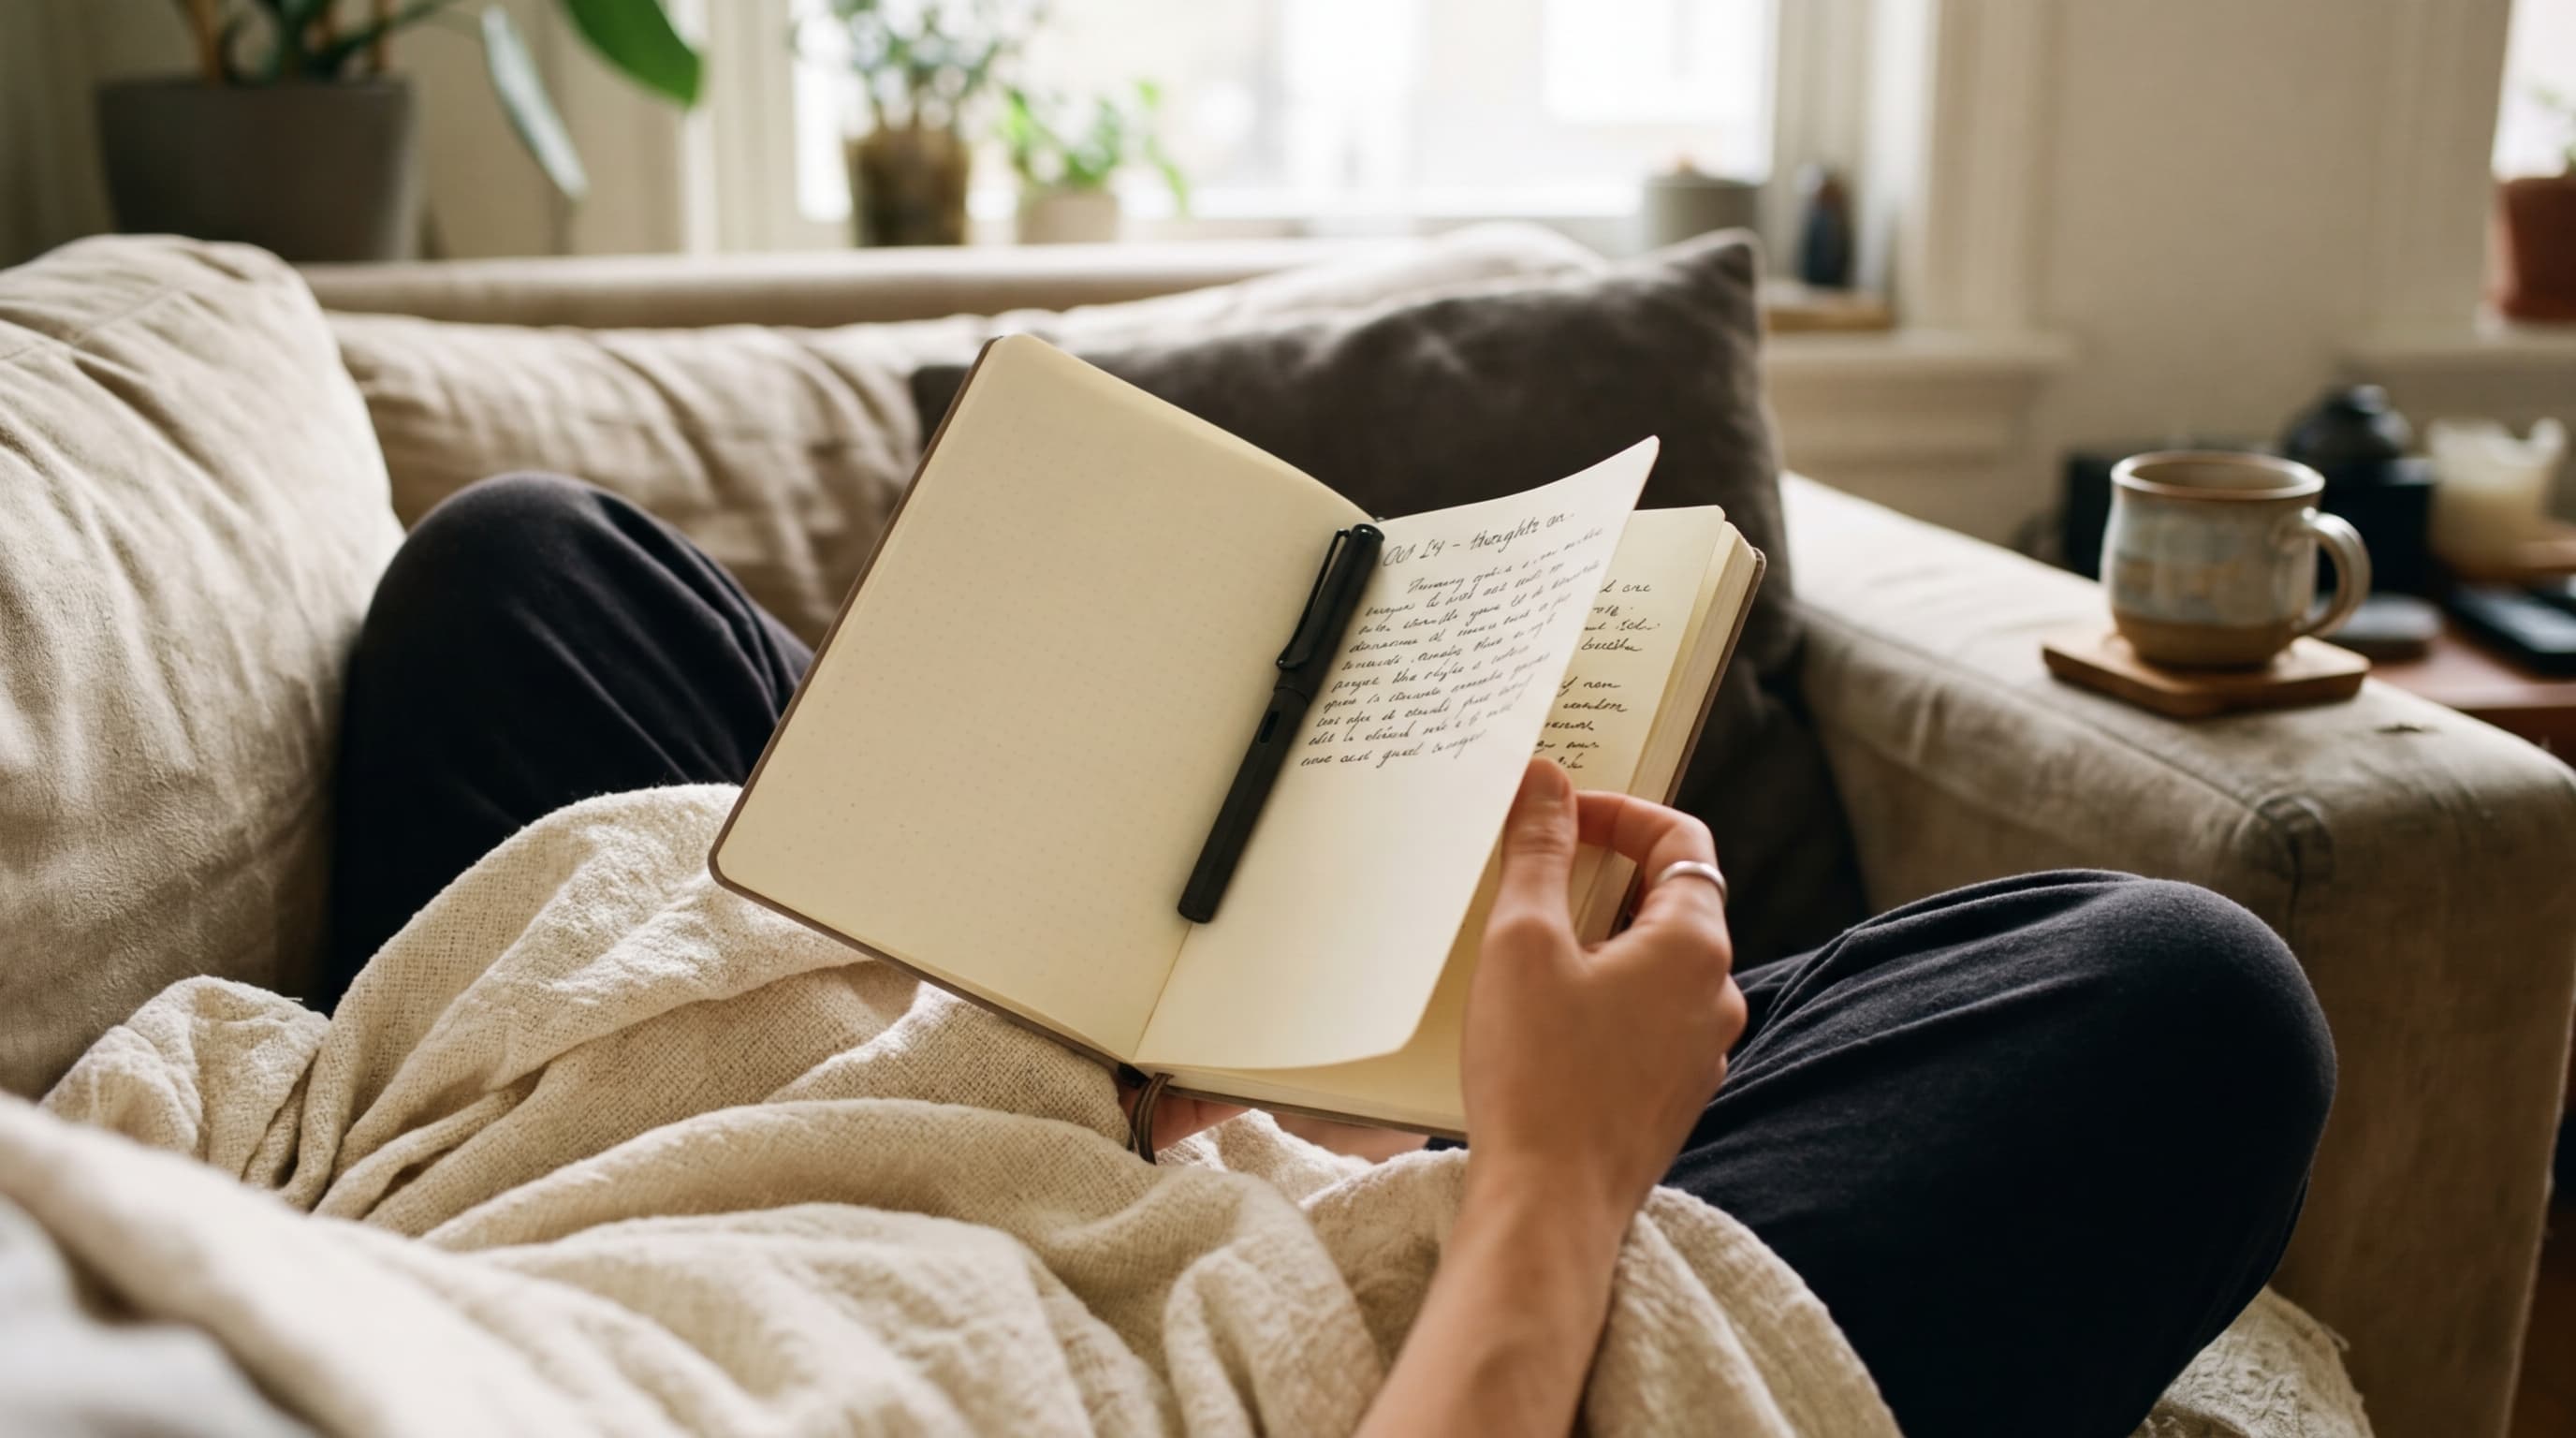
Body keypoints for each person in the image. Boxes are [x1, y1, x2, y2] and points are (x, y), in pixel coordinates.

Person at [325, 474, 2335, 1438]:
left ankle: (1133, 1044)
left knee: (533, 576)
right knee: (2182, 1006)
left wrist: (1004, 980)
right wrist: (1553, 1171)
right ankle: (1329, 1122)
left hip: (689, 1171)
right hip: (1278, 1333)